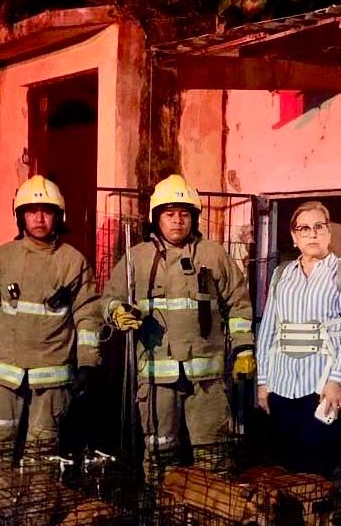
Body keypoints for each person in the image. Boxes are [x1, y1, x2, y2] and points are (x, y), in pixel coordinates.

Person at [103, 173, 255, 467]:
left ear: (194, 218)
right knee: (161, 458)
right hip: (156, 380)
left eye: (184, 214)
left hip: (207, 382)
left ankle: (211, 513)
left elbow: (239, 303)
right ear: (156, 218)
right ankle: (162, 513)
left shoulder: (213, 254)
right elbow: (108, 298)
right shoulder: (138, 258)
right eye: (169, 214)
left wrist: (243, 348)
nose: (177, 221)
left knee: (214, 457)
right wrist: (116, 311)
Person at [0, 176, 101, 459]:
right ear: (20, 216)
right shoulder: (3, 257)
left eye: (47, 211)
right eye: (31, 211)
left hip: (50, 379)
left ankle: (38, 503)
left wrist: (88, 363)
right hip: (4, 376)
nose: (39, 218)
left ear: (58, 217)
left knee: (43, 452)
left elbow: (88, 315)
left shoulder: (73, 262)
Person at [254, 201, 341, 476]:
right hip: (281, 386)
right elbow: (269, 329)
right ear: (294, 237)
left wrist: (337, 380)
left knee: (316, 471)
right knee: (283, 467)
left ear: (329, 233)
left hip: (321, 387)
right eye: (304, 229)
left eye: (319, 227)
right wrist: (263, 382)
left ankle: (316, 520)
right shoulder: (281, 274)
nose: (312, 234)